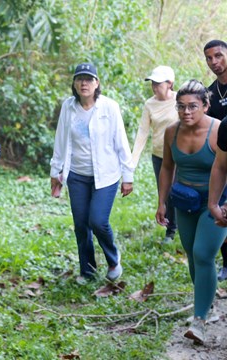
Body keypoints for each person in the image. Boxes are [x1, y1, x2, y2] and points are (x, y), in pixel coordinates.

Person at [156, 79, 227, 345]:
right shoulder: (171, 132)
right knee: (193, 256)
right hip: (184, 202)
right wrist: (162, 201)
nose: (186, 112)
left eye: (193, 107)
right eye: (181, 107)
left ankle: (199, 322)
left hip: (217, 202)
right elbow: (166, 167)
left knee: (203, 254)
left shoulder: (219, 130)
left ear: (206, 106)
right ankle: (206, 305)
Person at [50, 62, 134, 284]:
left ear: (97, 83)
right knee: (80, 224)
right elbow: (60, 140)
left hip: (105, 175)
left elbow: (121, 142)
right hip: (77, 174)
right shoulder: (68, 107)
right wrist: (55, 171)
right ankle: (87, 270)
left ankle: (113, 260)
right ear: (74, 84)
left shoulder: (110, 107)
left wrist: (128, 176)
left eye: (89, 79)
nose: (84, 83)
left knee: (97, 220)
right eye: (79, 79)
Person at [131, 66, 178, 243]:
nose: (155, 87)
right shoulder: (149, 104)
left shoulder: (180, 99)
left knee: (180, 191)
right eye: (153, 83)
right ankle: (170, 230)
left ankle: (184, 225)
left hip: (179, 155)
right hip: (159, 155)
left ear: (170, 84)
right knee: (165, 193)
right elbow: (143, 132)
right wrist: (133, 162)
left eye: (158, 83)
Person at [203, 39, 227, 280]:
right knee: (220, 211)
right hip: (221, 160)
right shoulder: (210, 93)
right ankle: (226, 261)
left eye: (218, 56)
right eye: (209, 58)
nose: (214, 62)